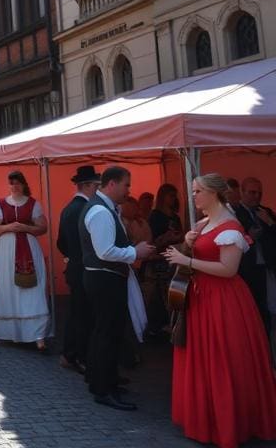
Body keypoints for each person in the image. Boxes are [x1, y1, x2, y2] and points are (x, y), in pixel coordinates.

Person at [164, 173, 276, 448]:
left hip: (224, 301)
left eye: (197, 191)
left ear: (213, 194)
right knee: (204, 358)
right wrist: (188, 243)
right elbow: (199, 256)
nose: (193, 196)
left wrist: (185, 257)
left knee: (224, 359)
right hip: (203, 298)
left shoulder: (230, 226)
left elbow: (228, 270)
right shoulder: (204, 223)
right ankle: (206, 419)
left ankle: (228, 423)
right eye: (193, 191)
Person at [79, 166, 156, 411]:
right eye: (126, 185)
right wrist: (136, 252)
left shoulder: (101, 207)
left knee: (104, 332)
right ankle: (104, 389)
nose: (128, 190)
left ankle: (101, 381)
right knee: (107, 334)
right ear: (111, 184)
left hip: (103, 278)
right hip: (105, 279)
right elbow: (105, 251)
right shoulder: (101, 211)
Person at [0, 170, 51, 350]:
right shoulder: (0, 204)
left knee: (34, 289)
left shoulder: (33, 204)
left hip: (29, 248)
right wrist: (9, 227)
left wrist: (24, 227)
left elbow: (43, 227)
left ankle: (38, 335)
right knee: (10, 288)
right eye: (11, 183)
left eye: (17, 183)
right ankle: (14, 332)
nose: (14, 186)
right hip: (7, 252)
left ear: (23, 184)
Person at [56, 165, 99, 375]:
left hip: (74, 265)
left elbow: (60, 243)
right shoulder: (85, 208)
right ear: (88, 186)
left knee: (76, 313)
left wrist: (70, 256)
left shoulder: (68, 208)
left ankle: (69, 353)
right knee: (83, 315)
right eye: (96, 185)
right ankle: (80, 356)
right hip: (85, 267)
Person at [232, 176, 276, 337]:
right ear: (242, 193)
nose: (256, 196)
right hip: (244, 269)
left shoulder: (266, 212)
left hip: (266, 268)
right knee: (249, 312)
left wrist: (270, 222)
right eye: (252, 192)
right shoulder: (234, 213)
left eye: (259, 193)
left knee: (266, 311)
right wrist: (247, 236)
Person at [144, 183, 184, 341]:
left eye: (175, 196)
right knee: (160, 296)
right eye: (170, 195)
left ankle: (172, 324)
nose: (173, 199)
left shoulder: (175, 216)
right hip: (159, 260)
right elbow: (151, 240)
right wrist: (165, 238)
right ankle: (159, 327)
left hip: (173, 257)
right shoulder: (155, 216)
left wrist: (178, 237)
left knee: (172, 293)